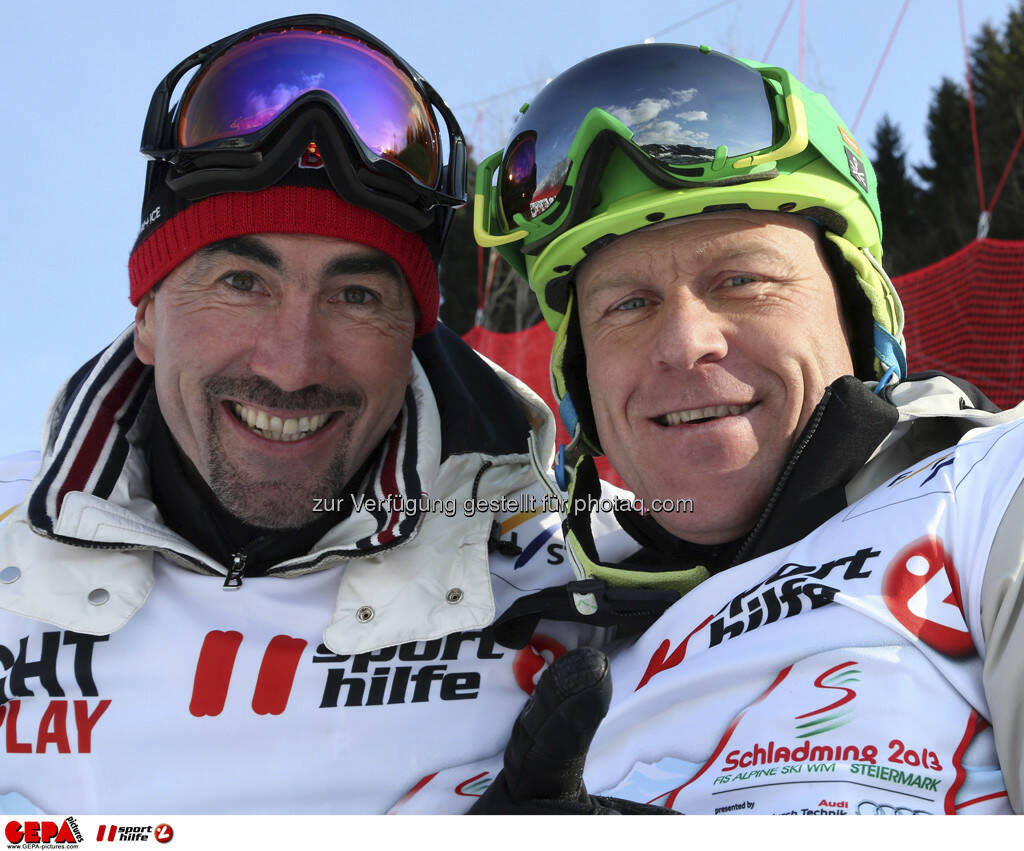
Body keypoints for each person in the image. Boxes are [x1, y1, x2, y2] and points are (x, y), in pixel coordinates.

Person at [0, 14, 616, 815]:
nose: (289, 364)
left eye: (356, 295)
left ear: (415, 337)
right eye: (240, 284)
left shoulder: (588, 567)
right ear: (147, 313)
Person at [395, 42, 1024, 815]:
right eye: (628, 303)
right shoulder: (548, 597)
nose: (686, 341)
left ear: (857, 312)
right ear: (580, 380)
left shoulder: (990, 495)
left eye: (743, 279)